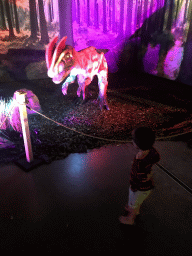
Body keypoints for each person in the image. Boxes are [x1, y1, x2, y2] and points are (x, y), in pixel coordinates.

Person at [119, 127, 160, 225]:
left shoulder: (139, 162)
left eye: (133, 139)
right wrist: (150, 174)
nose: (132, 141)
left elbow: (139, 179)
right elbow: (157, 157)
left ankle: (130, 218)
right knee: (135, 201)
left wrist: (133, 187)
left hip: (140, 188)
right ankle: (133, 206)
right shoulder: (151, 151)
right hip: (145, 187)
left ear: (137, 144)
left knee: (134, 202)